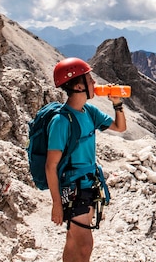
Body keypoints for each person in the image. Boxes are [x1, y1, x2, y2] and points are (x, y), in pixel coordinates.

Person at [46, 57, 127, 262]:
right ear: (79, 85)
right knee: (84, 246)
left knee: (74, 241)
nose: (95, 84)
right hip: (73, 189)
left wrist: (117, 104)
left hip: (88, 184)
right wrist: (56, 203)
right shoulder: (61, 121)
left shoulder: (89, 112)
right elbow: (51, 165)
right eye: (90, 79)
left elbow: (120, 127)